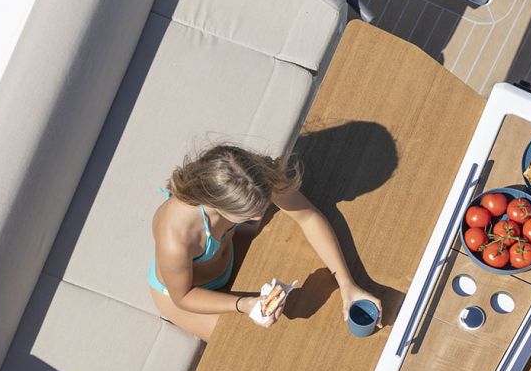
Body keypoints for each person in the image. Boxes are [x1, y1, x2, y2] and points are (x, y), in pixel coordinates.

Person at [148, 144, 380, 340]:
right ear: (215, 204)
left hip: (225, 260)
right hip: (185, 295)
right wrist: (244, 304)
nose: (258, 217)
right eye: (248, 215)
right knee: (255, 343)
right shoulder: (176, 238)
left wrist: (347, 284)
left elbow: (306, 216)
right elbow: (184, 296)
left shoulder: (253, 179)